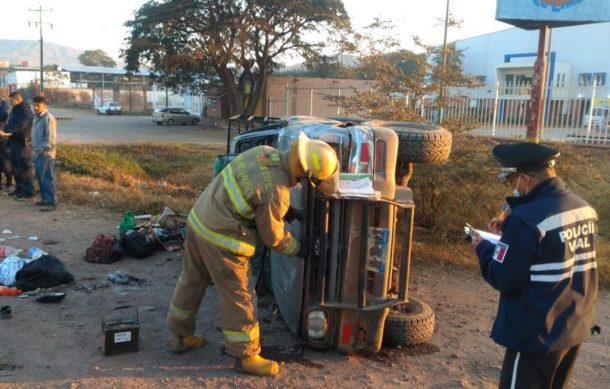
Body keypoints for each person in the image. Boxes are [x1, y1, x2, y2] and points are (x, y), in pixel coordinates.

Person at [166, 132, 339, 377]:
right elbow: (273, 238)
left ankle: (181, 337)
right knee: (240, 296)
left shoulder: (264, 153)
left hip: (199, 221)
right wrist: (301, 248)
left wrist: (285, 210)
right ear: (305, 173)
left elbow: (254, 186)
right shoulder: (277, 192)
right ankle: (246, 357)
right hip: (221, 237)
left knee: (192, 280)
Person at [470, 142, 598, 389]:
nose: (512, 187)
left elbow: (503, 277)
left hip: (536, 334)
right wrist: (509, 228)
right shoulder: (583, 208)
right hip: (572, 327)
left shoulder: (526, 220)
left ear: (525, 179)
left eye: (511, 181)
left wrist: (482, 247)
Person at [0, 92, 34, 200]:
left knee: (24, 168)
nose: (10, 103)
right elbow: (10, 124)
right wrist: (4, 131)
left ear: (18, 99)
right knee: (16, 167)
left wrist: (7, 132)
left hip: (22, 143)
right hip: (13, 142)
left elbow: (21, 126)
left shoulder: (26, 111)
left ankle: (27, 192)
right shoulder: (15, 110)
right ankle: (19, 189)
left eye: (11, 101)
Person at [31, 96, 57, 211]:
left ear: (45, 106)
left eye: (38, 105)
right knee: (40, 178)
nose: (35, 107)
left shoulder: (48, 118)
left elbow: (50, 138)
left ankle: (51, 201)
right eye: (34, 105)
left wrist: (44, 151)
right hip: (36, 153)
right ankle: (45, 199)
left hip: (45, 154)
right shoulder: (36, 117)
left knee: (47, 178)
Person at [0, 95, 14, 194]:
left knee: (6, 163)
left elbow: (4, 116)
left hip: (3, 139)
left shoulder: (5, 106)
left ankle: (9, 183)